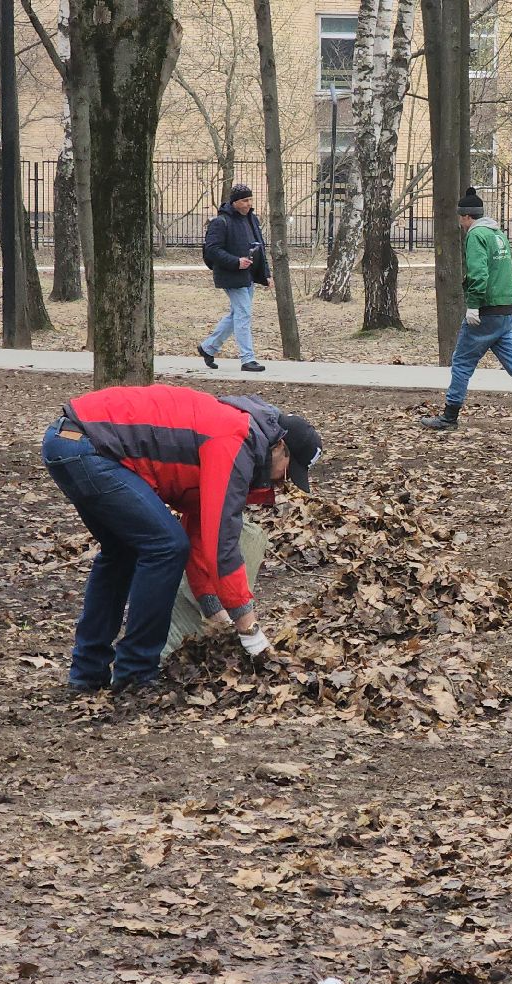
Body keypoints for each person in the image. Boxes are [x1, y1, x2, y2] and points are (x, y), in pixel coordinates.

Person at [40, 385, 322, 693]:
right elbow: (222, 545)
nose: (283, 483)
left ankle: (87, 673)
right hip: (89, 447)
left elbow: (201, 532)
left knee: (121, 551)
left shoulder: (240, 438)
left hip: (68, 442)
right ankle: (135, 672)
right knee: (165, 546)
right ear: (280, 446)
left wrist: (215, 611)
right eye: (287, 472)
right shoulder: (234, 439)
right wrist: (249, 630)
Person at [417, 188, 512, 433]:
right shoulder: (498, 234)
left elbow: (479, 273)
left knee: (462, 361)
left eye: (460, 218)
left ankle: (450, 416)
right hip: (506, 310)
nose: (460, 223)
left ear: (465, 217)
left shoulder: (476, 235)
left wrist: (473, 305)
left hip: (486, 311)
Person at [199, 183, 271, 374]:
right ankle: (248, 359)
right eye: (244, 200)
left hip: (248, 276)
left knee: (236, 315)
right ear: (234, 202)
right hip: (231, 275)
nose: (248, 204)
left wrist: (266, 274)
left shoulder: (251, 219)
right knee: (244, 313)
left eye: (250, 200)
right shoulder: (221, 222)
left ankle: (208, 347)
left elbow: (260, 248)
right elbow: (213, 250)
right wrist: (235, 262)